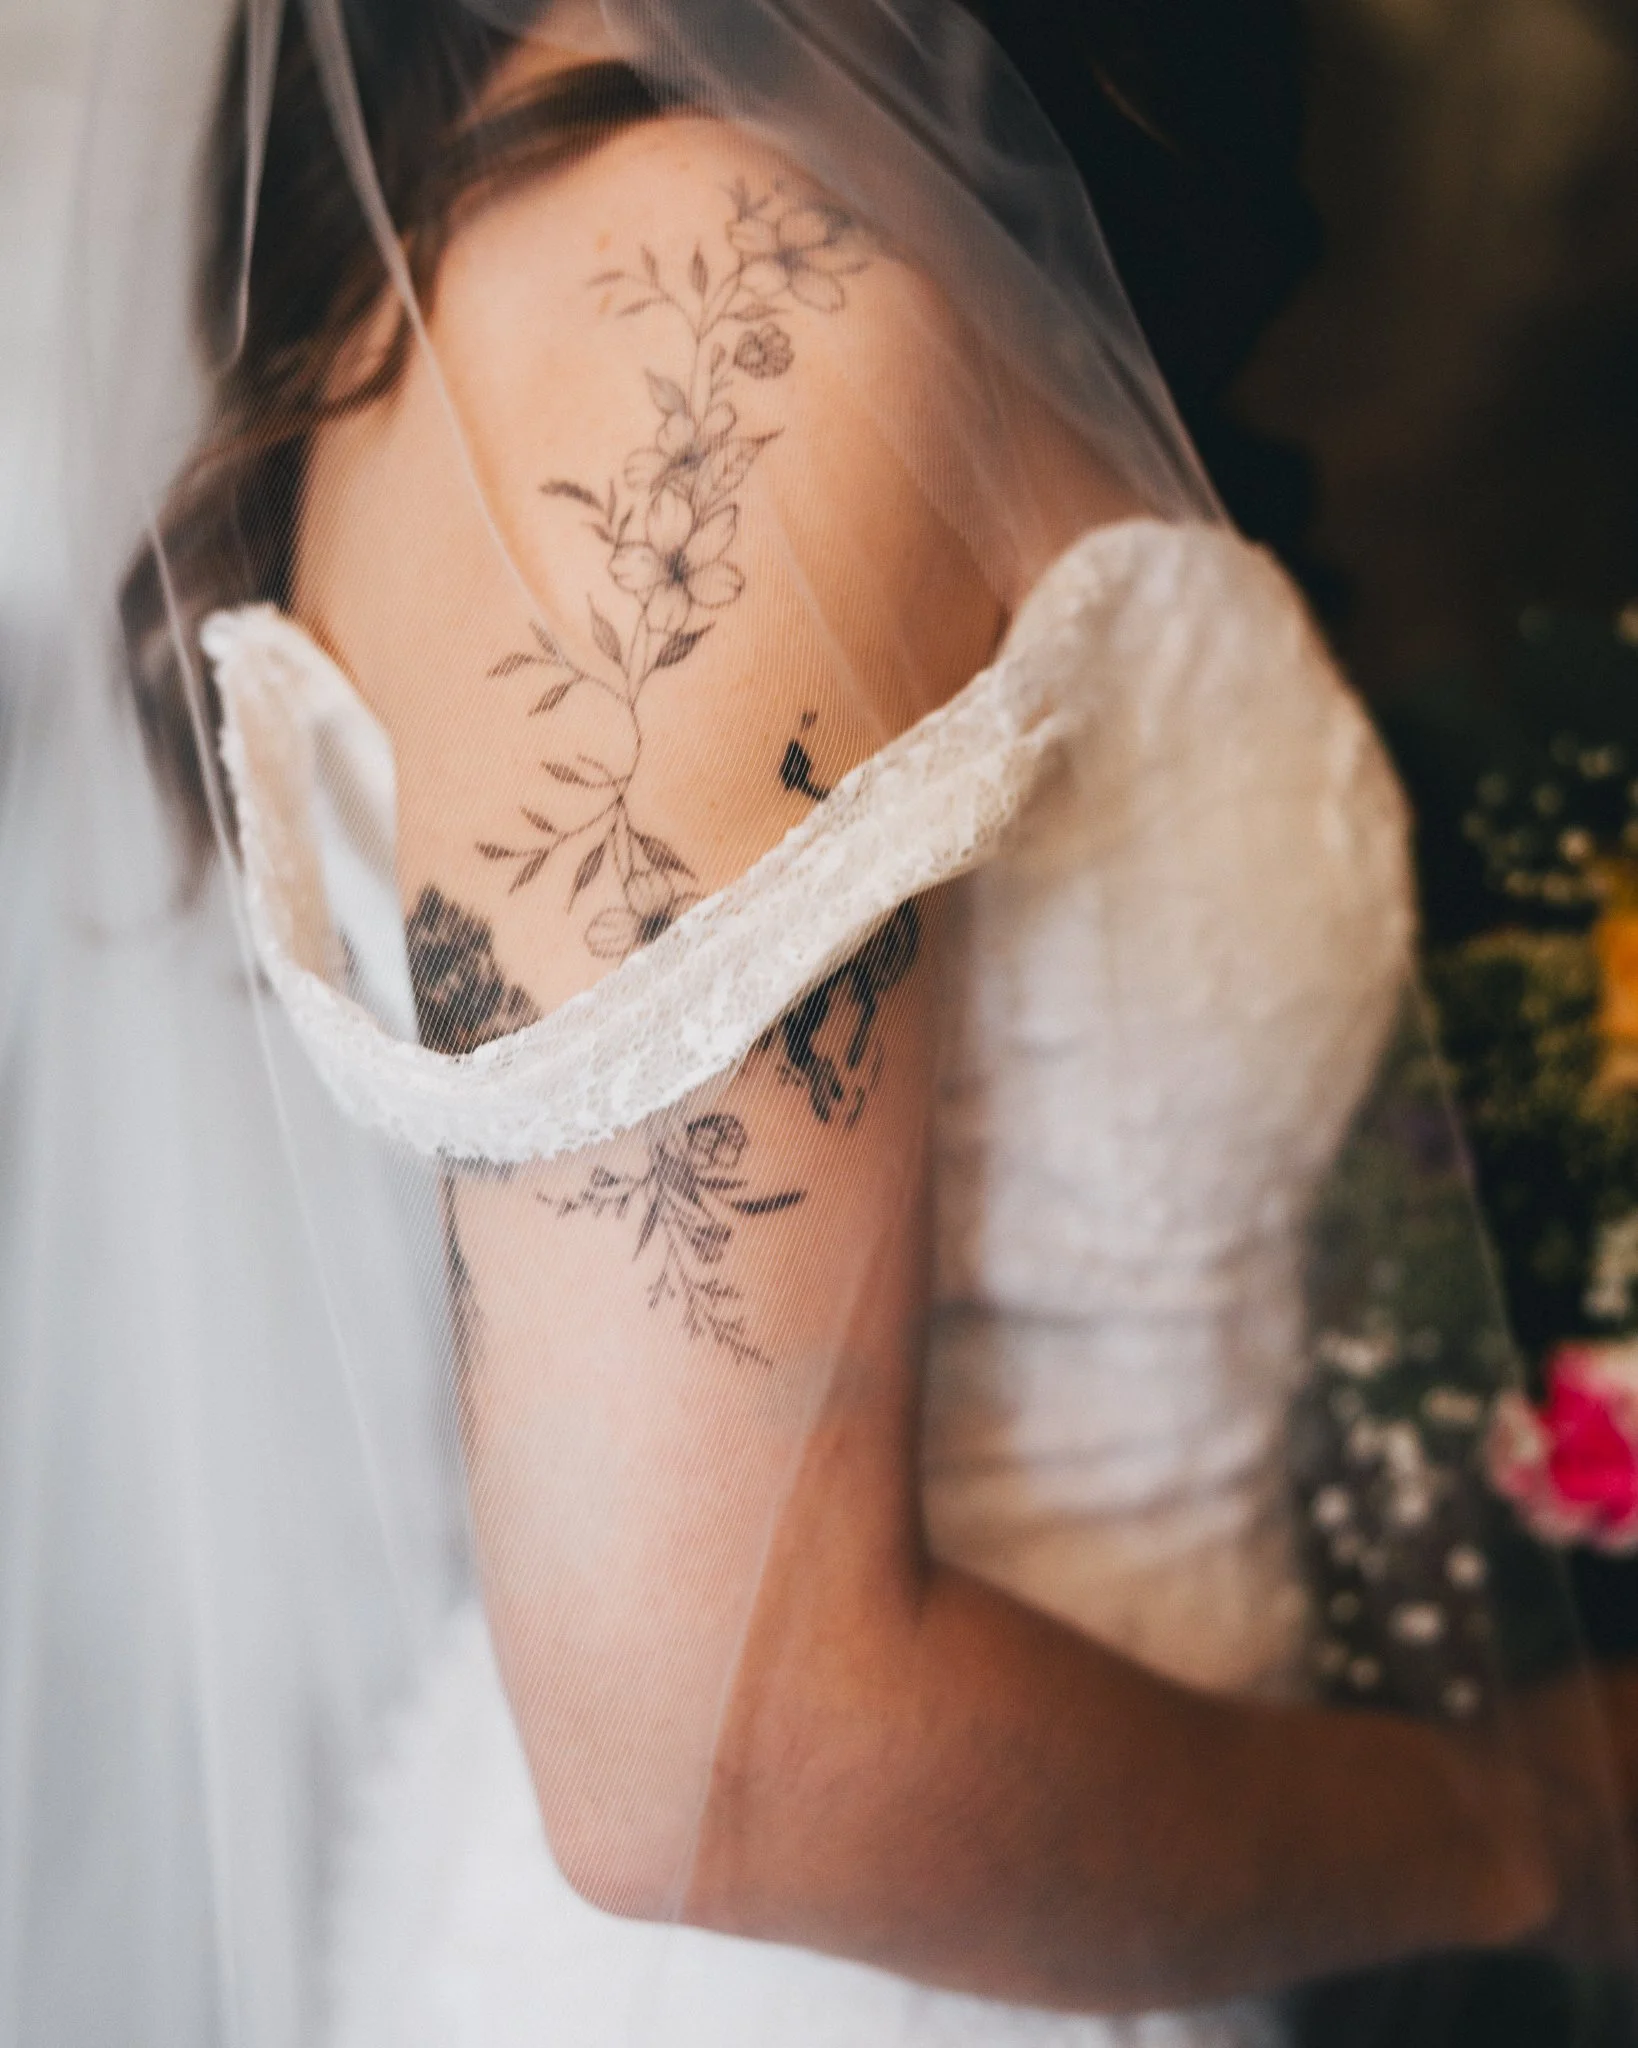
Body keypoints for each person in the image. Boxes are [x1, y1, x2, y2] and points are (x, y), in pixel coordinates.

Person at [0, 4, 1628, 2045]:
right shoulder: (695, 301)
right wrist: (1536, 1824)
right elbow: (726, 1758)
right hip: (881, 1970)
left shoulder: (527, 216)